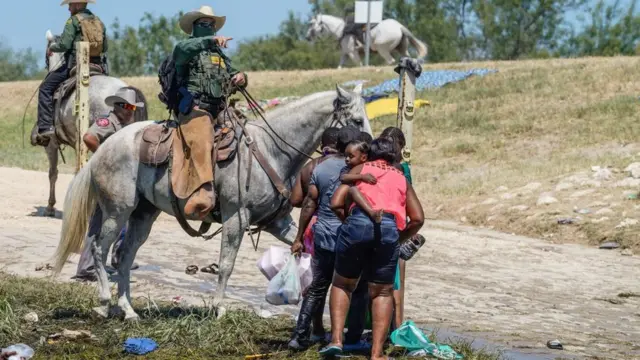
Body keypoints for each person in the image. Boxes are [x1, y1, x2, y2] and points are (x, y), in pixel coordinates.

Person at [324, 137, 425, 359]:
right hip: (388, 229)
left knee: (343, 283)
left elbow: (335, 202)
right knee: (382, 291)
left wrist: (348, 223)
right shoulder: (401, 178)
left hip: (356, 224)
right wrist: (398, 239)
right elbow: (417, 219)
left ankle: (336, 341)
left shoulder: (361, 168)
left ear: (371, 154)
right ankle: (377, 353)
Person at [288, 126, 365, 351]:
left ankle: (300, 336)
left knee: (317, 287)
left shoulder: (319, 168)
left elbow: (308, 204)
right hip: (349, 237)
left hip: (322, 233)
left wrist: (299, 236)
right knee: (351, 288)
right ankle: (346, 338)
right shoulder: (359, 169)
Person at [172, 5, 247, 220]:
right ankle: (202, 191)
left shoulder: (219, 55)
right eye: (204, 24)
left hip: (220, 110)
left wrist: (241, 77)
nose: (209, 27)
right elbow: (182, 51)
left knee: (246, 133)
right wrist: (210, 41)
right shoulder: (185, 48)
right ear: (194, 27)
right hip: (195, 110)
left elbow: (234, 72)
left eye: (211, 24)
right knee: (204, 139)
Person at [72, 87, 145, 282]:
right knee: (98, 223)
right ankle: (87, 268)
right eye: (128, 107)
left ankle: (118, 259)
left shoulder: (123, 126)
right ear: (118, 106)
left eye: (133, 107)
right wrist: (104, 157)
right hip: (105, 181)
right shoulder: (108, 122)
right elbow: (89, 137)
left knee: (122, 220)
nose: (131, 111)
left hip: (117, 183)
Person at [288, 126, 339, 342]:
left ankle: (316, 327)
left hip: (311, 226)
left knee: (313, 279)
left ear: (322, 145)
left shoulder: (311, 166)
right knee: (337, 280)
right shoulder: (348, 167)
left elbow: (295, 200)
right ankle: (335, 332)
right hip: (337, 225)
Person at [36, 0, 107, 145]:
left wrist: (53, 47)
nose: (69, 8)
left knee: (45, 88)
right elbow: (104, 47)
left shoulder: (73, 21)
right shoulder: (99, 21)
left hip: (75, 64)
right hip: (98, 65)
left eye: (70, 5)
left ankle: (45, 127)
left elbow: (64, 45)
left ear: (78, 5)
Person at [379, 127, 426, 330]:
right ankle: (395, 329)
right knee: (397, 282)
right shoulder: (402, 170)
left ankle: (381, 327)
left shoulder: (374, 167)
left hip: (379, 227)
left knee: (377, 283)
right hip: (399, 229)